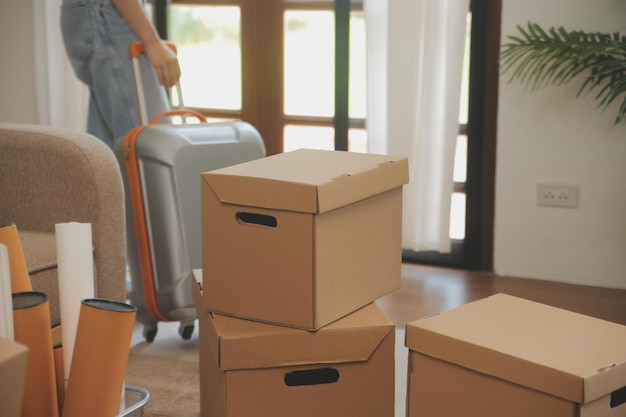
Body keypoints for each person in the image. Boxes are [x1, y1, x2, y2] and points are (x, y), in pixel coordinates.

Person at [60, 0, 181, 148]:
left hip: (93, 14)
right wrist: (152, 42)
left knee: (109, 153)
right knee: (156, 145)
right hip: (107, 14)